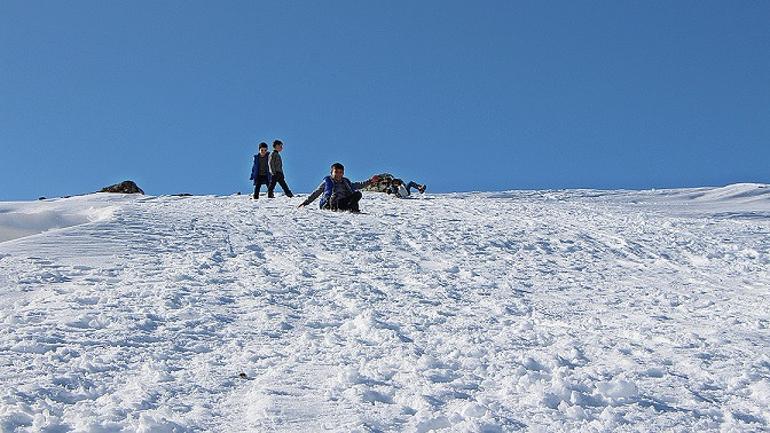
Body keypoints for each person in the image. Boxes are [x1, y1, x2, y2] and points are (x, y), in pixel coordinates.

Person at [298, 163, 373, 212]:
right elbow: (316, 193)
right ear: (331, 173)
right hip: (331, 202)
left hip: (342, 203)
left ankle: (351, 209)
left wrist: (370, 181)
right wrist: (305, 203)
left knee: (358, 194)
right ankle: (334, 209)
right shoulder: (327, 182)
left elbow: (359, 185)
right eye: (336, 172)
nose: (338, 174)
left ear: (343, 173)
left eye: (340, 172)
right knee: (334, 195)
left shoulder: (346, 182)